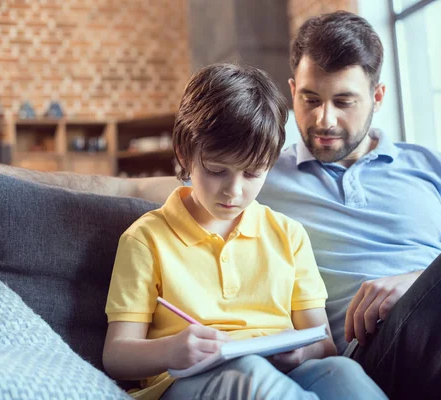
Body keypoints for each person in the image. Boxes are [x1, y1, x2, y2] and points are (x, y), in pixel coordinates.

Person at [0, 10, 441, 400]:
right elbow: (154, 190)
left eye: (343, 102)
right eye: (310, 99)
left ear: (378, 96)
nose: (323, 120)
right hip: (376, 349)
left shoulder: (431, 170)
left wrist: (413, 280)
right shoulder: (262, 166)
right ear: (292, 90)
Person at [101, 63, 386, 400]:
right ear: (185, 154)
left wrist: (302, 353)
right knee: (249, 376)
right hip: (188, 382)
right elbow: (116, 355)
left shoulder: (288, 235)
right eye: (217, 170)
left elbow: (322, 342)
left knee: (343, 373)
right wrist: (171, 350)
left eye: (252, 174)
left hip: (280, 372)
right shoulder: (146, 239)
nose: (233, 191)